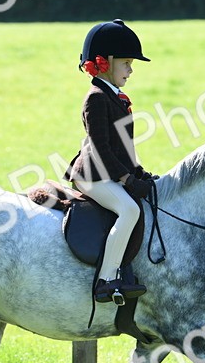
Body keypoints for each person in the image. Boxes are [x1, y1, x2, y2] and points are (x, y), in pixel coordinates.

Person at [65, 19, 158, 305]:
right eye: (127, 63)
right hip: (92, 174)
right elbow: (101, 148)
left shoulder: (116, 97)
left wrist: (139, 172)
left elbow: (123, 148)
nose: (131, 70)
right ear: (105, 64)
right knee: (129, 210)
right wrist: (127, 180)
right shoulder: (96, 98)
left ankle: (126, 269)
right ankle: (106, 280)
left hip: (109, 171)